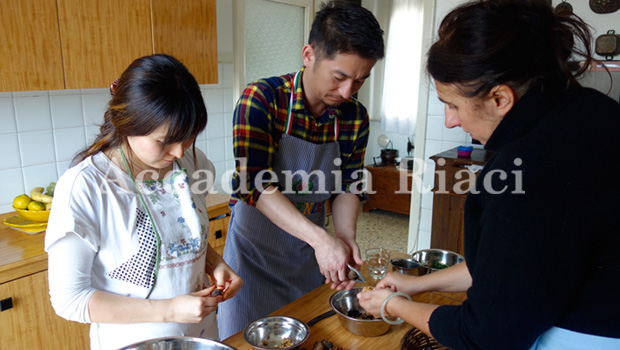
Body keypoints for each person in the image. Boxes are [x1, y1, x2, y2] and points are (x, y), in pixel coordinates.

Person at [358, 1, 620, 349]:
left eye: (452, 104)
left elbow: (486, 334)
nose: (451, 120)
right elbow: (511, 267)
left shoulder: (529, 170)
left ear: (500, 98)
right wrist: (418, 284)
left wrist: (394, 305)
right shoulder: (594, 110)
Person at [45, 54, 243, 350]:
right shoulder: (86, 187)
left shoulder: (192, 163)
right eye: (165, 141)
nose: (178, 152)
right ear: (128, 124)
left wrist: (213, 263)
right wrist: (171, 310)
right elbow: (69, 300)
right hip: (135, 341)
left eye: (188, 137)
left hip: (201, 336)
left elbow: (178, 233)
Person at [217, 1, 385, 339]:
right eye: (339, 77)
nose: (347, 92)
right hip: (253, 261)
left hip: (307, 259)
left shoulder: (354, 117)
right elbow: (256, 186)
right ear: (309, 54)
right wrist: (321, 239)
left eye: (359, 81)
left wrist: (344, 237)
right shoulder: (262, 100)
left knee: (309, 335)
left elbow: (348, 185)